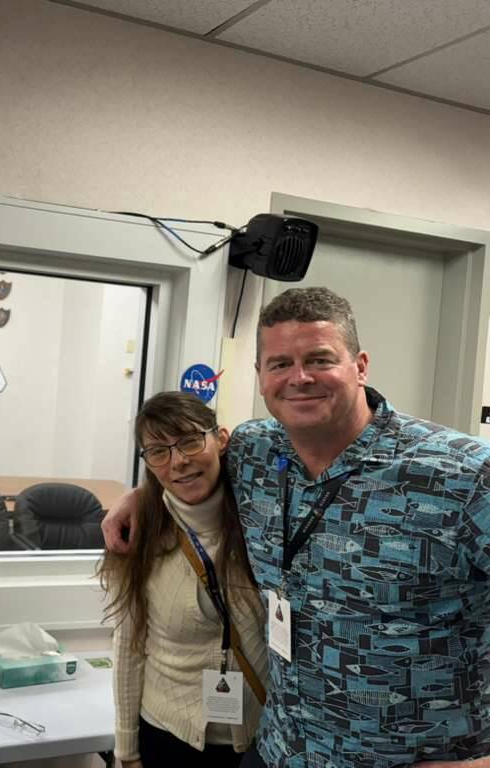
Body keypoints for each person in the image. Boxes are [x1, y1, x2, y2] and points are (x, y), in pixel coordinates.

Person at [103, 287, 490, 768]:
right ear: (261, 377)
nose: (299, 378)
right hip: (280, 748)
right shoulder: (254, 450)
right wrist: (138, 499)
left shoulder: (465, 475)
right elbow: (185, 466)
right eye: (280, 364)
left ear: (360, 366)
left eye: (319, 359)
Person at [100, 391, 267, 767]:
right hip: (168, 736)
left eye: (191, 441)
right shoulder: (138, 534)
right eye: (158, 451)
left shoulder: (263, 521)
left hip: (262, 737)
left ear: (220, 439)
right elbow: (129, 647)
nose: (178, 461)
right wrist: (127, 750)